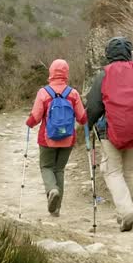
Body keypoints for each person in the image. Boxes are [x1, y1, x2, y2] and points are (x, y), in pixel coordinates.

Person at [85, 36, 133, 232]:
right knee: (127, 171)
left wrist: (88, 124)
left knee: (113, 171)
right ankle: (125, 212)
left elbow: (94, 106)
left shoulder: (105, 74)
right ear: (129, 53)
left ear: (108, 54)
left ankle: (127, 212)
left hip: (111, 131)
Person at [25, 59, 87, 216]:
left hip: (48, 139)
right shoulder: (72, 93)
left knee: (46, 167)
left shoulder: (44, 92)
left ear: (51, 72)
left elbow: (36, 117)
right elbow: (82, 118)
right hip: (67, 139)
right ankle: (56, 208)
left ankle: (52, 190)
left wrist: (29, 122)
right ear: (66, 73)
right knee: (59, 169)